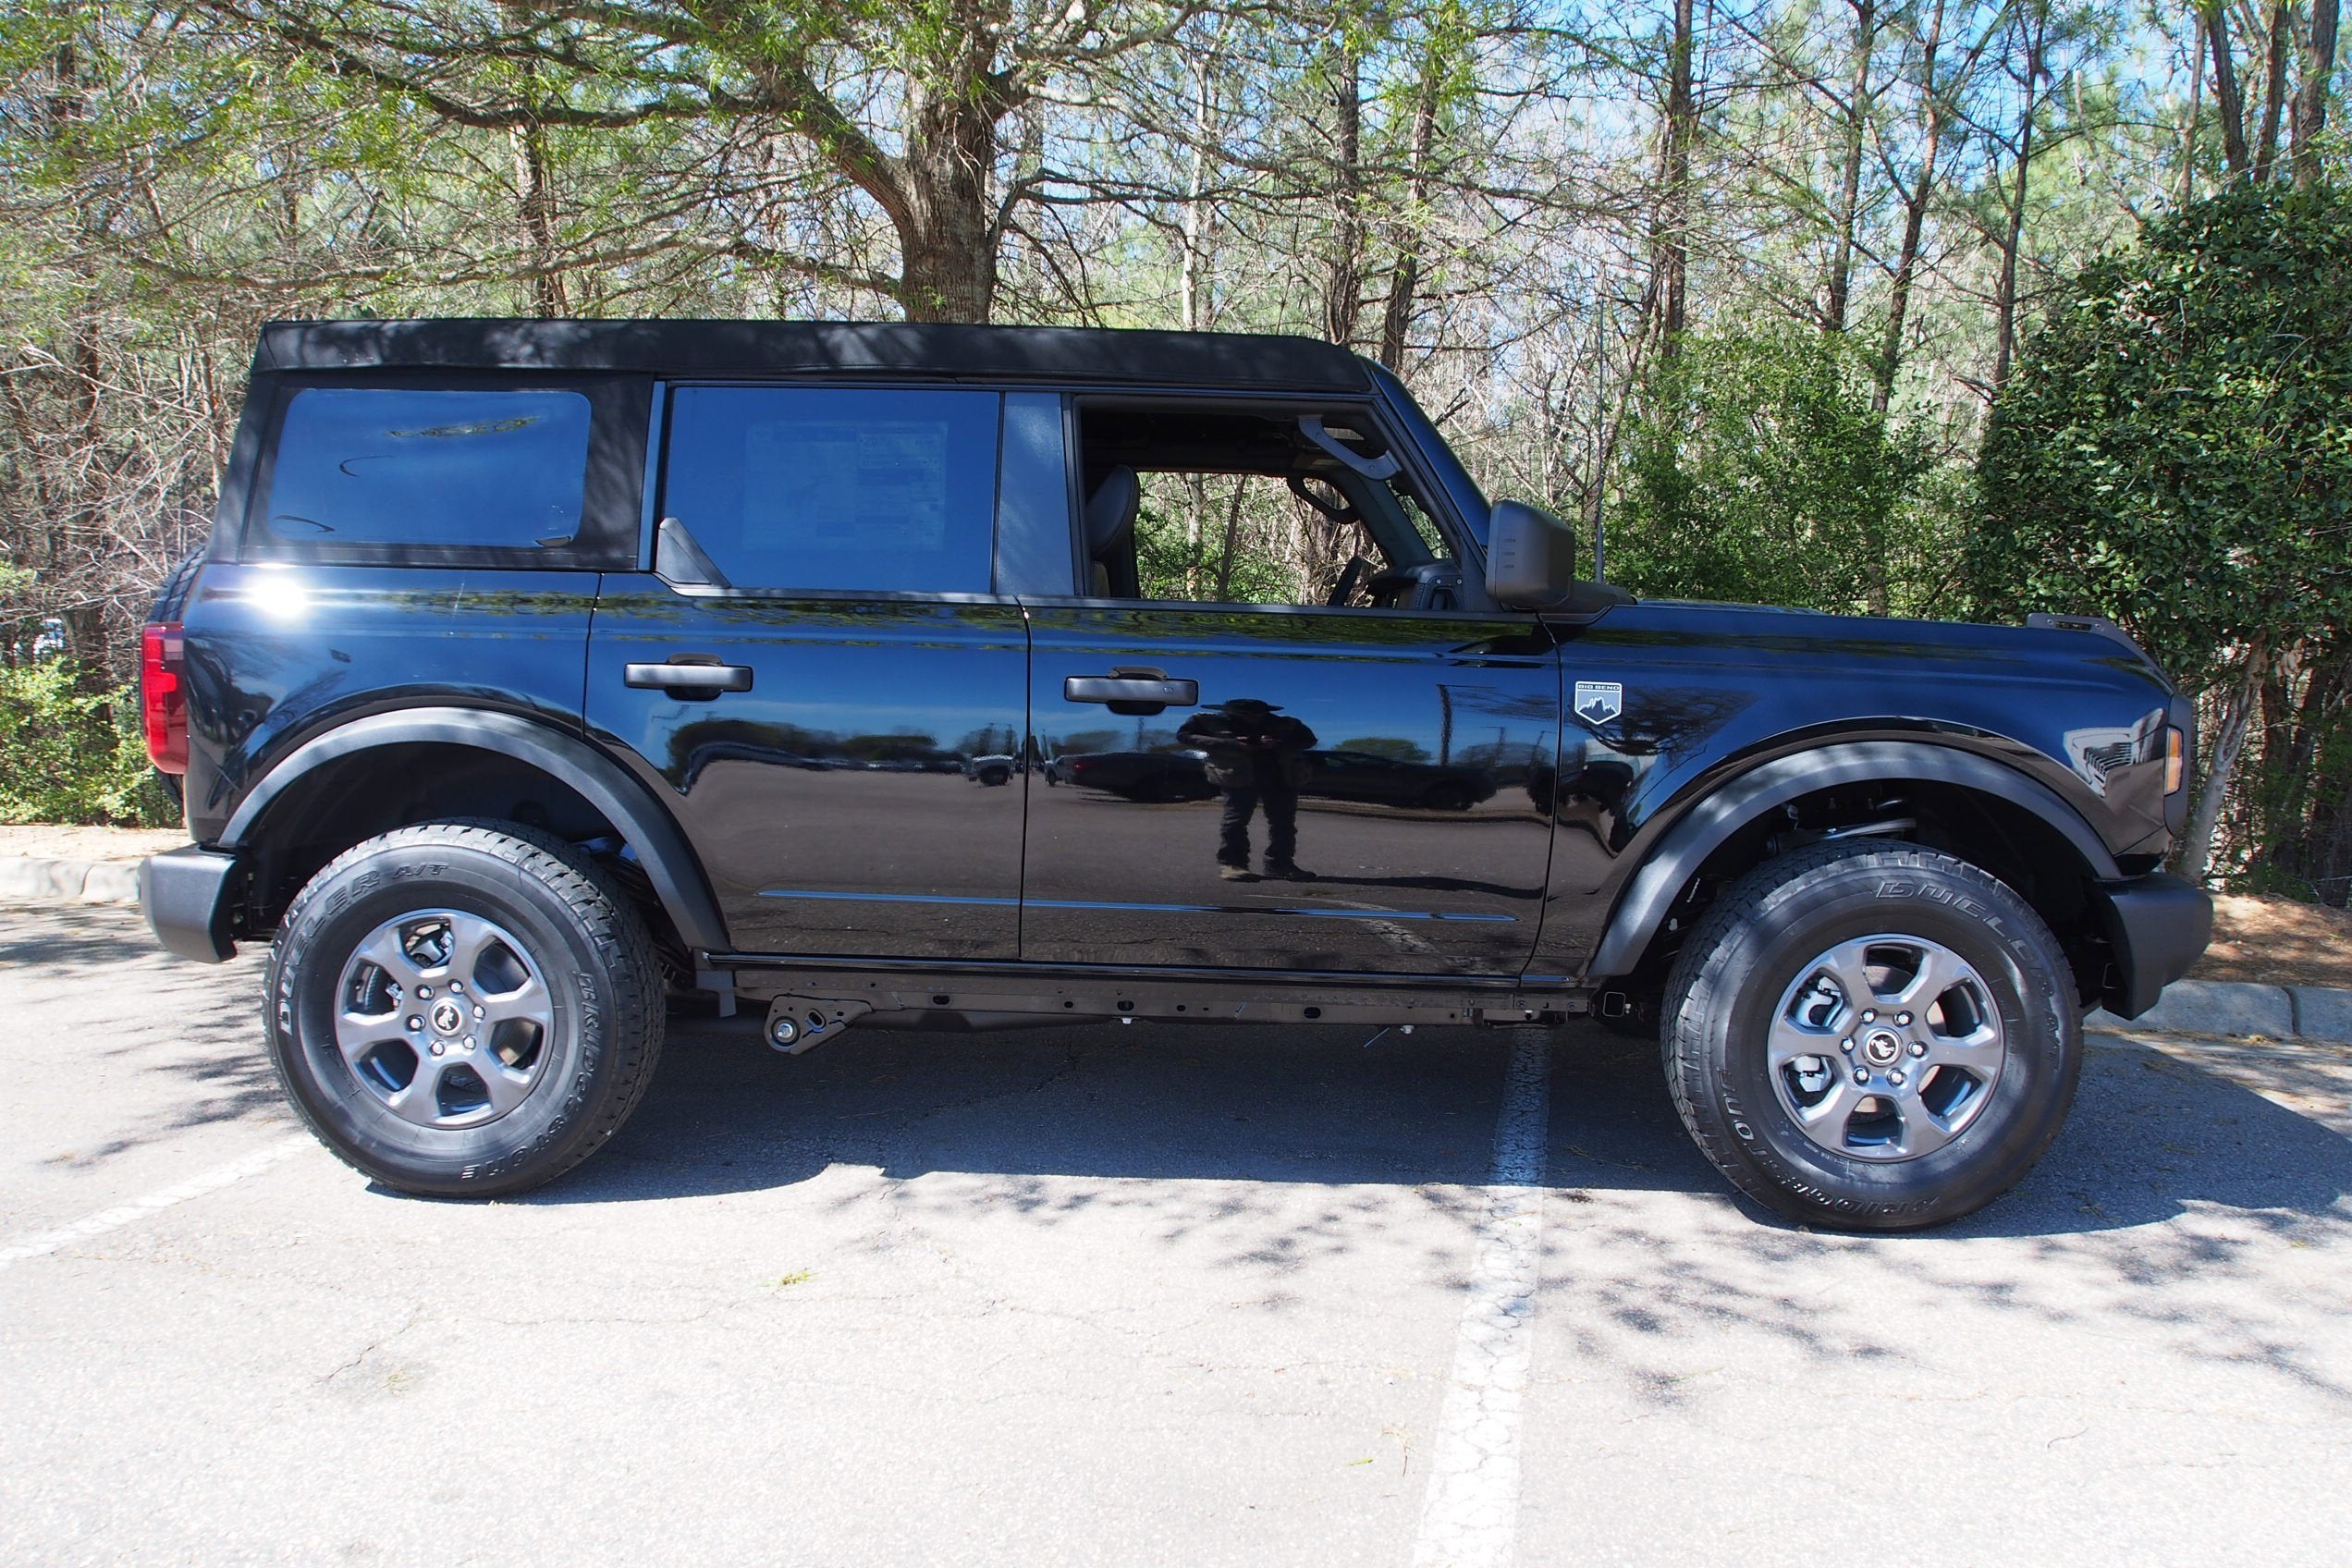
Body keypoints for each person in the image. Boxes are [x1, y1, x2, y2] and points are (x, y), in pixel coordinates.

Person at [1177, 698, 1318, 881]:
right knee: (1235, 821)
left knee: (1284, 824)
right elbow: (1184, 736)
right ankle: (1233, 864)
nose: (1251, 718)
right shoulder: (1208, 721)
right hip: (1236, 775)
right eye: (1245, 715)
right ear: (1230, 713)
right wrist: (1232, 744)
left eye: (1257, 714)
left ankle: (1280, 865)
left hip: (1281, 776)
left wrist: (1278, 743)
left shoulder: (1286, 723)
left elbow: (1308, 740)